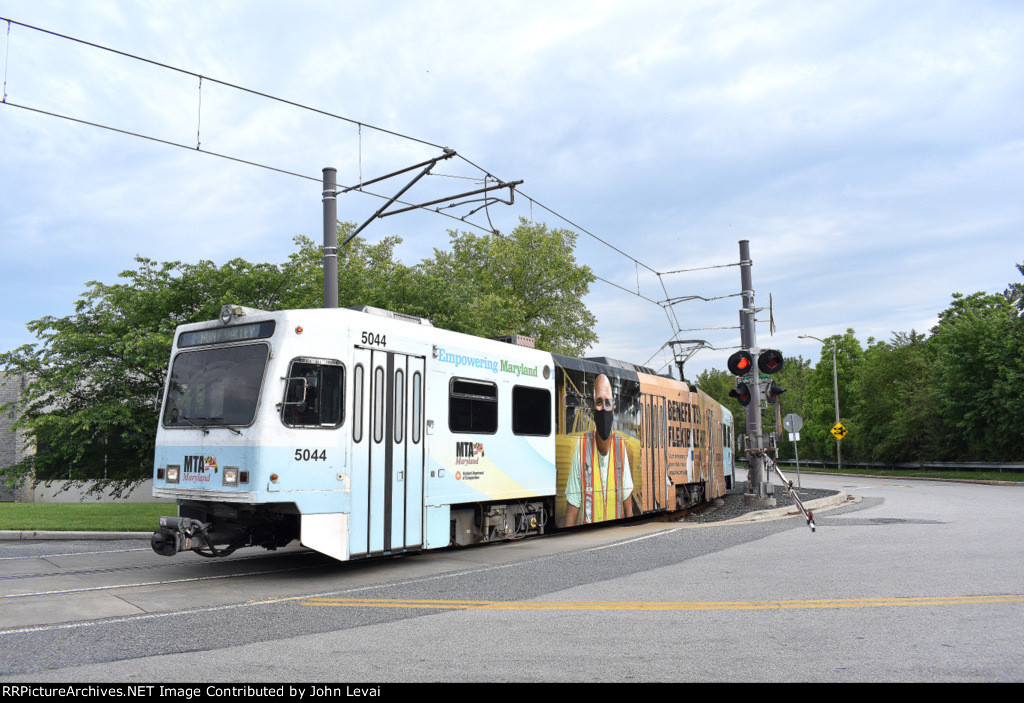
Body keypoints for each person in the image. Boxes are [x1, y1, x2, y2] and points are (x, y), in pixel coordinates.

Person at [564, 373, 634, 525]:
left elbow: (627, 500)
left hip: (617, 533)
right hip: (590, 537)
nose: (603, 408)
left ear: (613, 407)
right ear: (593, 407)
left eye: (607, 403)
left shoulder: (620, 445)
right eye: (599, 402)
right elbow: (573, 502)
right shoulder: (581, 445)